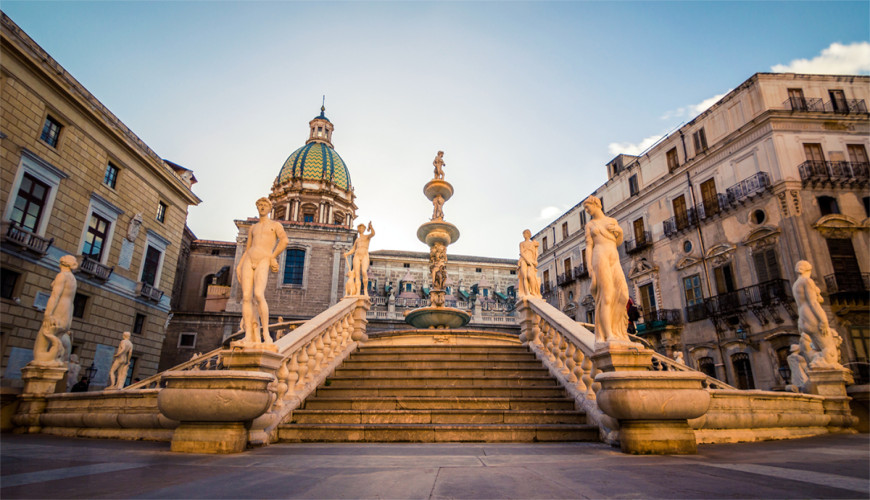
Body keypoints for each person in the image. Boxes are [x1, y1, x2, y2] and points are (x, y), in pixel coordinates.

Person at [236, 197, 289, 344]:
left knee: (258, 294)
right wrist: (239, 265)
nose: (262, 207)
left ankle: (265, 333)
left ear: (271, 208)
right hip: (249, 259)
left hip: (264, 258)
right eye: (259, 205)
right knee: (246, 297)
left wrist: (272, 257)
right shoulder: (253, 228)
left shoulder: (275, 225)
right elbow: (247, 249)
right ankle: (249, 335)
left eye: (265, 205)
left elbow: (284, 241)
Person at [584, 195, 629, 343]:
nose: (587, 210)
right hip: (600, 257)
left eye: (587, 206)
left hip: (613, 256)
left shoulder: (612, 221)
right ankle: (608, 334)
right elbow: (589, 247)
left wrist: (619, 231)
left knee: (623, 295)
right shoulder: (590, 225)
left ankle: (618, 331)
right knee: (607, 296)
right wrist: (590, 267)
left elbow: (618, 241)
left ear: (596, 204)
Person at [792, 260, 843, 370]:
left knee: (816, 349)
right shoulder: (807, 281)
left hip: (803, 318)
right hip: (812, 316)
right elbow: (813, 303)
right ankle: (828, 372)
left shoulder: (796, 284)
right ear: (809, 269)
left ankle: (817, 365)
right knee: (829, 349)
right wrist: (823, 320)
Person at [31, 255, 78, 365]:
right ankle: (54, 360)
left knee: (40, 346)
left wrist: (48, 314)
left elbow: (55, 296)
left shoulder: (62, 276)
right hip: (67, 312)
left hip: (58, 310)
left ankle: (43, 364)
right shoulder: (73, 279)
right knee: (57, 340)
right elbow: (71, 302)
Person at [344, 222, 375, 297]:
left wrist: (370, 227)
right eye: (359, 228)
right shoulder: (357, 240)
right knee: (357, 275)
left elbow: (373, 234)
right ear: (358, 229)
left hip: (364, 255)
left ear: (364, 229)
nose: (361, 229)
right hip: (357, 256)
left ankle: (365, 290)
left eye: (362, 228)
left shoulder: (367, 237)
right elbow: (353, 249)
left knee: (364, 272)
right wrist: (347, 254)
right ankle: (357, 291)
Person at [517, 229, 541, 298]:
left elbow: (536, 253)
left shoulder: (533, 243)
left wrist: (535, 260)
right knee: (524, 276)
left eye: (525, 234)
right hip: (524, 260)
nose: (524, 235)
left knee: (530, 276)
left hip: (531, 260)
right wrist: (527, 260)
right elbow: (521, 252)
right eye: (523, 234)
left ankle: (533, 291)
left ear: (528, 234)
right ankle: (527, 292)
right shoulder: (521, 243)